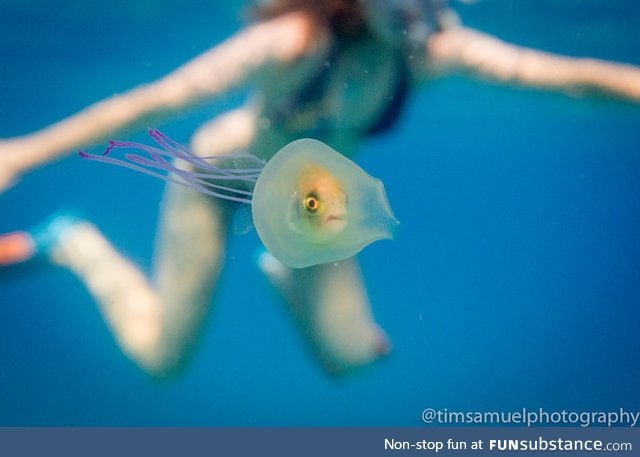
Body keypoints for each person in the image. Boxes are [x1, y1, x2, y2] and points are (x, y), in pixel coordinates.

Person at [0, 0, 639, 376]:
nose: (412, 13)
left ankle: (285, 270)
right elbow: (158, 99)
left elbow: (566, 76)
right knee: (162, 359)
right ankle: (72, 243)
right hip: (213, 182)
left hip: (309, 213)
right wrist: (23, 151)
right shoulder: (292, 39)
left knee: (353, 360)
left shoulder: (436, 51)